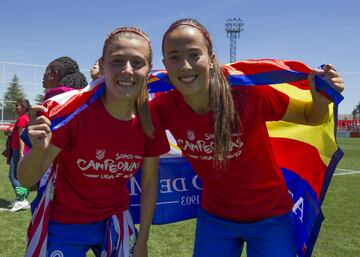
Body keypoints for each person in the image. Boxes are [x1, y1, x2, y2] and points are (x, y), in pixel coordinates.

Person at [151, 18, 345, 257]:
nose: (185, 65)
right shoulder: (162, 107)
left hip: (271, 217)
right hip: (215, 219)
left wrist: (320, 101)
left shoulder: (247, 94)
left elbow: (309, 116)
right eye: (174, 57)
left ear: (211, 60)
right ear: (164, 65)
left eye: (194, 54)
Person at [18, 27, 169, 257]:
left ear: (149, 70)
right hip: (65, 223)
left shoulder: (150, 121)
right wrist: (38, 150)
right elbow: (26, 178)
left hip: (114, 221)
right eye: (117, 61)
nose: (127, 70)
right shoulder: (74, 114)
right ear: (103, 64)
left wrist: (143, 241)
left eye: (137, 63)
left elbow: (149, 184)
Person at [8, 98, 31, 212]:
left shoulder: (22, 119)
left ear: (24, 107)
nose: (16, 107)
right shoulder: (25, 118)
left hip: (18, 150)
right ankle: (21, 199)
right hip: (19, 150)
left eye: (18, 105)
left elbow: (22, 137)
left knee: (12, 176)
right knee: (18, 177)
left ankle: (22, 200)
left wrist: (21, 153)